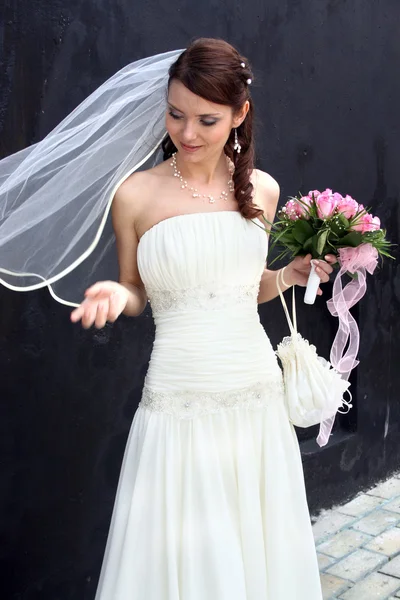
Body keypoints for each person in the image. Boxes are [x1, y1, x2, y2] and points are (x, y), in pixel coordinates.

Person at [1, 37, 336, 599]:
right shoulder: (134, 195)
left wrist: (289, 276)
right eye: (176, 114)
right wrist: (115, 291)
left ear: (240, 114)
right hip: (177, 394)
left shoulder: (264, 190)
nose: (187, 134)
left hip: (254, 393)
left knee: (256, 548)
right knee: (179, 557)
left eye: (207, 119)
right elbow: (138, 291)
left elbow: (245, 289)